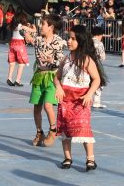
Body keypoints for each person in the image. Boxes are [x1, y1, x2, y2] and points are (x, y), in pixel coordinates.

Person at [55, 24, 106, 171]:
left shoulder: (87, 60)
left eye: (73, 39)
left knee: (83, 127)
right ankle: (67, 157)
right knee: (65, 129)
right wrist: (58, 87)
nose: (69, 41)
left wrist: (89, 94)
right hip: (65, 100)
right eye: (68, 38)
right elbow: (57, 77)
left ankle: (90, 159)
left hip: (81, 99)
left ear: (81, 41)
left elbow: (96, 79)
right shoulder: (66, 59)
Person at [29, 13, 66, 146]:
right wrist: (27, 30)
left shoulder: (58, 41)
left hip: (52, 76)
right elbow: (23, 32)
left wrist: (52, 60)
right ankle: (39, 132)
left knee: (48, 105)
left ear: (51, 27)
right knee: (36, 107)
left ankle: (53, 130)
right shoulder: (38, 40)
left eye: (43, 24)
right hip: (39, 75)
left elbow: (62, 60)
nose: (41, 26)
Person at [6, 13, 33, 87]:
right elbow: (33, 30)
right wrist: (33, 27)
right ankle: (17, 80)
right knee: (21, 63)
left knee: (12, 62)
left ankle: (9, 78)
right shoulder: (22, 26)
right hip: (20, 44)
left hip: (12, 44)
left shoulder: (13, 26)